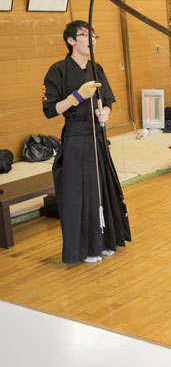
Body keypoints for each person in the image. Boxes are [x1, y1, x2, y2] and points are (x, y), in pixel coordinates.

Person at [42, 20, 131, 264]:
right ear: (71, 40)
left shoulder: (96, 68)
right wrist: (76, 96)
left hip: (97, 136)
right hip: (75, 137)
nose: (91, 40)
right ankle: (85, 248)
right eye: (85, 35)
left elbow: (108, 100)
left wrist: (106, 114)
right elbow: (50, 109)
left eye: (94, 36)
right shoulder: (58, 70)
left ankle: (104, 241)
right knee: (79, 194)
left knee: (102, 187)